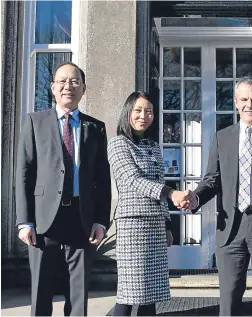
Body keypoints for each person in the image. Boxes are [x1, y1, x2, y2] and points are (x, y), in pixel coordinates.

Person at [175, 77, 252, 316]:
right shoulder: (223, 137)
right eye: (244, 99)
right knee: (229, 298)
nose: (249, 105)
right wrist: (195, 197)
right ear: (235, 102)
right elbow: (212, 181)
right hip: (230, 226)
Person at [15, 62, 112, 316]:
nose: (68, 86)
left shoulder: (95, 127)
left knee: (78, 293)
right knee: (41, 291)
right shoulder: (35, 122)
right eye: (62, 81)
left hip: (81, 219)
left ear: (84, 89)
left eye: (74, 82)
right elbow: (24, 173)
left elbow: (102, 179)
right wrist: (25, 221)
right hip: (44, 219)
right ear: (52, 87)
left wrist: (101, 221)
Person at [107, 91, 194, 316]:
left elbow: (158, 180)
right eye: (138, 110)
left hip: (155, 226)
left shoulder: (153, 146)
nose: (143, 116)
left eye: (149, 111)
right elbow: (133, 180)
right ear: (128, 113)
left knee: (151, 292)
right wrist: (171, 194)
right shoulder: (118, 144)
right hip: (133, 226)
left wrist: (166, 225)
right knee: (128, 292)